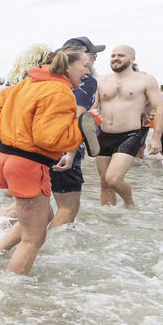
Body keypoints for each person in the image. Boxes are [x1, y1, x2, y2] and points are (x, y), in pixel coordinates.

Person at [0, 48, 88, 274]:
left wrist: (19, 126)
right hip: (29, 164)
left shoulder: (26, 83)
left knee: (45, 215)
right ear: (68, 66)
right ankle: (10, 289)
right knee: (34, 238)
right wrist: (82, 129)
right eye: (85, 65)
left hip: (7, 157)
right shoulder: (60, 91)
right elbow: (48, 139)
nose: (87, 71)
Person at [94, 46, 163, 208]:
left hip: (128, 135)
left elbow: (160, 108)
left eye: (121, 55)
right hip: (103, 135)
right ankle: (109, 217)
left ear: (132, 59)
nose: (115, 58)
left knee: (113, 179)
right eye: (113, 55)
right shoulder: (101, 81)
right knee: (104, 182)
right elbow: (94, 107)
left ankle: (130, 203)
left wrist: (156, 138)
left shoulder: (145, 80)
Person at [48, 36, 104, 228]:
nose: (95, 58)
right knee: (68, 207)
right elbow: (77, 117)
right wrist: (71, 153)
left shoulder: (47, 77)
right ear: (80, 56)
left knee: (29, 205)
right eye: (92, 53)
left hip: (35, 147)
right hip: (63, 148)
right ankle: (54, 246)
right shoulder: (86, 81)